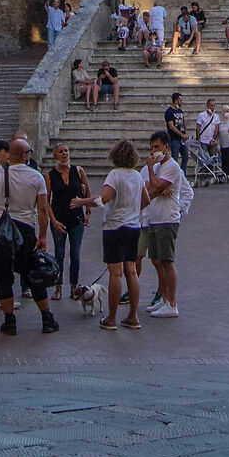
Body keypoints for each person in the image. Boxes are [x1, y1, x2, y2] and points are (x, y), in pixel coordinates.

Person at [0, 136, 59, 333]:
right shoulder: (36, 177)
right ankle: (46, 319)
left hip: (2, 228)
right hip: (25, 229)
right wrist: (42, 236)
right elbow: (42, 210)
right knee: (34, 274)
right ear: (25, 155)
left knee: (3, 276)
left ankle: (10, 321)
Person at [97, 139, 146, 331]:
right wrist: (133, 211)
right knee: (131, 271)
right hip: (133, 226)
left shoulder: (114, 175)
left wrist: (83, 201)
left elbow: (105, 198)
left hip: (115, 226)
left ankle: (112, 318)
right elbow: (146, 199)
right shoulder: (137, 175)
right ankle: (133, 316)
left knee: (115, 273)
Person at [137, 130, 186, 317]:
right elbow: (150, 189)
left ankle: (172, 303)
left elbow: (156, 186)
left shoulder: (171, 167)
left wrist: (151, 170)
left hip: (167, 218)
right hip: (153, 217)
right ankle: (164, 299)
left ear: (166, 147)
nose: (153, 151)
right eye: (151, 148)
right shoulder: (158, 168)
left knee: (167, 261)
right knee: (157, 260)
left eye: (157, 147)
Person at [46, 141, 93, 295]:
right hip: (59, 219)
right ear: (55, 156)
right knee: (59, 253)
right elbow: (46, 200)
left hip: (76, 218)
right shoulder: (50, 175)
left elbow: (87, 194)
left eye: (66, 151)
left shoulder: (78, 171)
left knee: (75, 253)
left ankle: (74, 286)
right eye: (60, 151)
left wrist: (87, 213)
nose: (64, 153)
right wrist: (53, 221)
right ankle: (58, 287)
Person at [162, 93, 189, 163]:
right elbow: (171, 126)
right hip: (174, 138)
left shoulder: (180, 110)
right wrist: (181, 134)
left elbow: (183, 122)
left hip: (183, 138)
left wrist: (185, 132)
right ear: (176, 100)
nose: (181, 102)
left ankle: (183, 172)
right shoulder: (169, 112)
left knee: (185, 156)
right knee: (175, 157)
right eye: (180, 100)